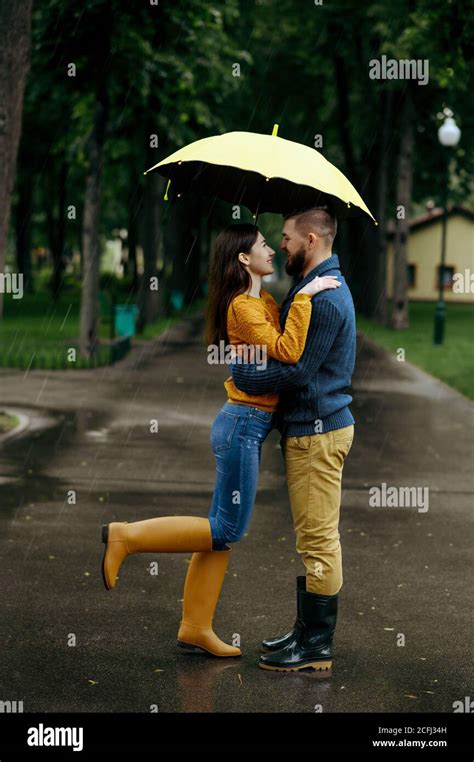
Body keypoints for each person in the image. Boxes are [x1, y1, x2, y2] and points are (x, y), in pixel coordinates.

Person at [101, 222, 340, 659]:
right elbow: (288, 351)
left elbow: (265, 361)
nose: (273, 249)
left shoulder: (263, 300)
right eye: (264, 245)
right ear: (244, 259)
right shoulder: (242, 309)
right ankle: (126, 537)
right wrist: (305, 297)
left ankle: (195, 628)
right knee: (227, 527)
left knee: (219, 534)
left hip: (247, 422)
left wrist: (294, 304)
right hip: (242, 425)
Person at [231, 206, 356, 672]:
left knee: (319, 540)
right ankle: (306, 632)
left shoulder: (324, 296)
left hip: (318, 433)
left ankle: (316, 645)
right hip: (311, 431)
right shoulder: (313, 287)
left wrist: (244, 376)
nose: (280, 244)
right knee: (312, 537)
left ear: (310, 239)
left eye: (285, 237)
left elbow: (298, 370)